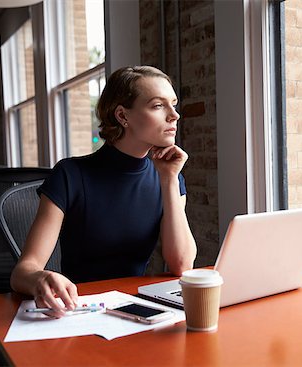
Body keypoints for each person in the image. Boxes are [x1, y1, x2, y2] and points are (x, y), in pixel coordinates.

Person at [10, 66, 197, 318]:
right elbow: (23, 271)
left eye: (173, 104)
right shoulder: (70, 175)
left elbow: (182, 265)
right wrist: (40, 279)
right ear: (122, 116)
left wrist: (170, 180)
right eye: (157, 106)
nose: (174, 115)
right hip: (79, 311)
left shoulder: (169, 178)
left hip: (136, 312)